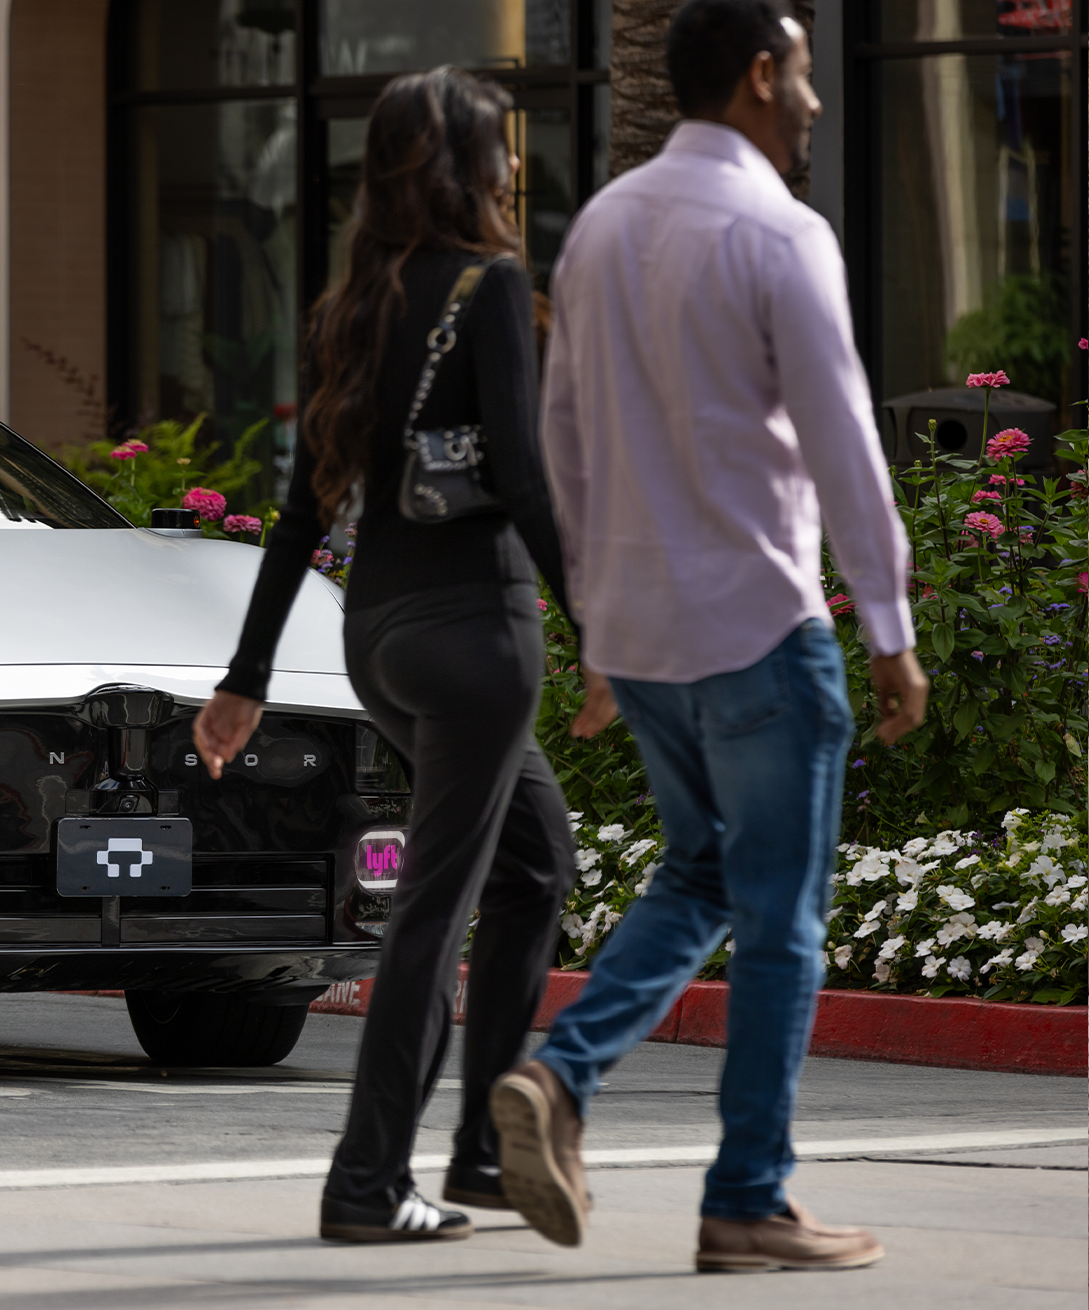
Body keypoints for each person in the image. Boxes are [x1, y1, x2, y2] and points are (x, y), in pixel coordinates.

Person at [489, 0, 929, 1273]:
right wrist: (889, 627)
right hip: (754, 624)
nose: (815, 101)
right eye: (804, 76)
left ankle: (561, 1075)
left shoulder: (601, 227)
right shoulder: (780, 232)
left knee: (699, 871)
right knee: (780, 918)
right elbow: (843, 442)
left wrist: (594, 623)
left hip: (642, 631)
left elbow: (562, 437)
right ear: (757, 76)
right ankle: (747, 1198)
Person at [193, 66, 579, 1243]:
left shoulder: (349, 306)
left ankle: (479, 1154)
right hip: (475, 635)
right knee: (434, 912)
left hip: (380, 636)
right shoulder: (489, 285)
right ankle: (367, 1179)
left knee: (533, 865)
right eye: (500, 148)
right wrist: (603, 628)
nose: (513, 167)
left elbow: (302, 510)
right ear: (467, 166)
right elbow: (523, 476)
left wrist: (246, 678)